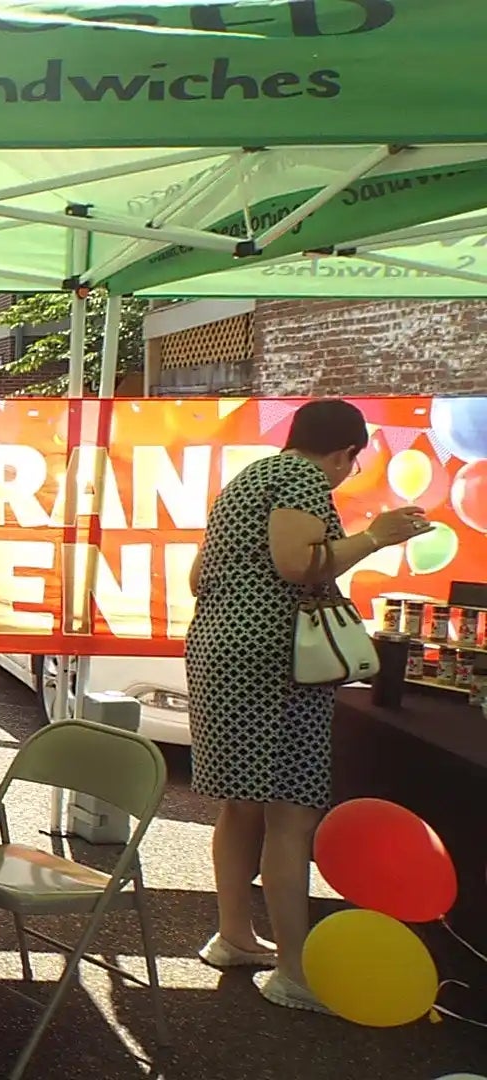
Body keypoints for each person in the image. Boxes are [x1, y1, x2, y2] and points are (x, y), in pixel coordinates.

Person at [185, 399, 427, 1011]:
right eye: (353, 461)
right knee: (291, 815)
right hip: (277, 663)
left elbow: (197, 577)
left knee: (241, 806)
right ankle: (294, 970)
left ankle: (235, 936)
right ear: (346, 452)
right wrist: (376, 536)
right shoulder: (301, 478)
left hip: (222, 651)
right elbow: (298, 565)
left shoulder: (248, 479)